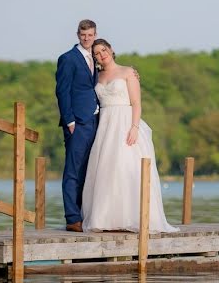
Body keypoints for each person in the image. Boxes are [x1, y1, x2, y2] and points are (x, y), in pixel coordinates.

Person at [81, 39, 177, 233]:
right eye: (97, 53)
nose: (102, 55)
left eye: (104, 50)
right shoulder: (95, 77)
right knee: (106, 170)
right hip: (106, 126)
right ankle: (106, 219)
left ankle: (132, 217)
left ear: (111, 50)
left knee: (126, 168)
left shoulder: (128, 72)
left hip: (125, 123)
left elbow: (136, 103)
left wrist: (134, 127)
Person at [55, 19, 99, 232]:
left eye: (90, 35)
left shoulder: (98, 56)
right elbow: (62, 91)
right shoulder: (68, 59)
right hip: (77, 123)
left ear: (95, 34)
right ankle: (72, 218)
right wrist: (69, 121)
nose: (87, 38)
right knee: (73, 170)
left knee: (89, 169)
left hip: (96, 121)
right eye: (83, 35)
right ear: (77, 35)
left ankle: (85, 214)